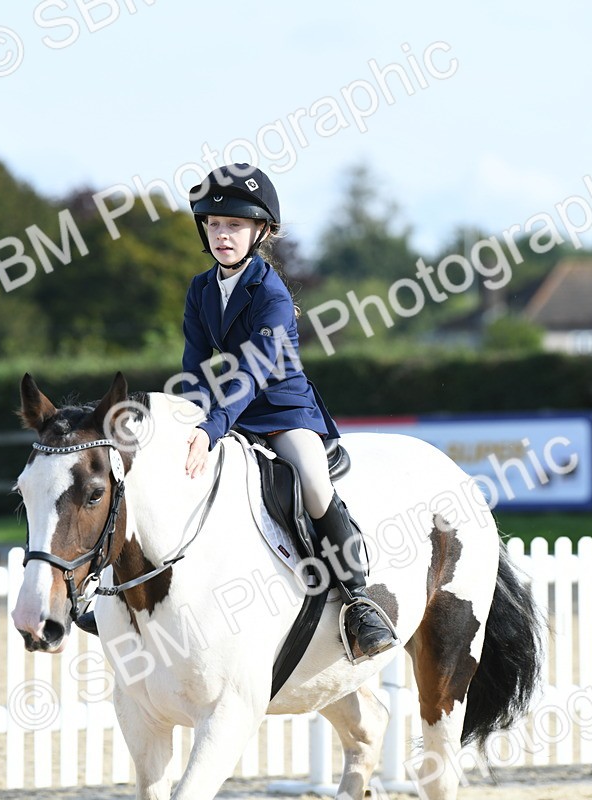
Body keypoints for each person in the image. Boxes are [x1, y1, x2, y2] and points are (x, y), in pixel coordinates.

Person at [177, 163, 398, 661]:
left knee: (314, 484)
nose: (222, 235)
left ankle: (359, 601)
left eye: (234, 225)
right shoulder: (200, 289)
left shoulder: (271, 294)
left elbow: (254, 370)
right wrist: (191, 418)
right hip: (227, 412)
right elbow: (195, 366)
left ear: (261, 231)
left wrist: (212, 427)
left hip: (282, 413)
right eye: (214, 224)